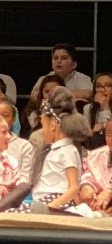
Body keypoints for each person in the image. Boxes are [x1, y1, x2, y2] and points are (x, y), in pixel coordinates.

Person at [27, 86, 90, 215]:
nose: (42, 131)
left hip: (56, 201)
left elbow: (73, 188)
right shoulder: (52, 150)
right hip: (41, 201)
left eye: (43, 126)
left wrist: (50, 206)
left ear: (52, 126)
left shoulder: (68, 150)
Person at [79, 123, 112, 212]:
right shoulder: (96, 155)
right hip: (97, 204)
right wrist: (86, 186)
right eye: (109, 134)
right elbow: (90, 173)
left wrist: (109, 192)